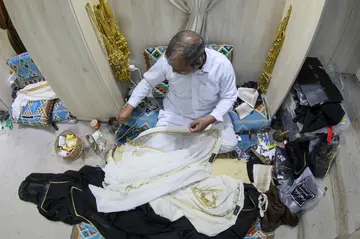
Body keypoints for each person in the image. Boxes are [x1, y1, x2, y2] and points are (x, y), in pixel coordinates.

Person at [117, 30, 238, 153]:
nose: (173, 71)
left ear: (197, 63)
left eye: (179, 70)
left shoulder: (222, 65)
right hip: (177, 114)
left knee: (229, 144)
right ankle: (195, 147)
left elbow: (229, 97)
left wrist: (210, 119)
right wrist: (130, 105)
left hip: (210, 114)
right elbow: (148, 82)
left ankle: (186, 148)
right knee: (156, 146)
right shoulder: (168, 61)